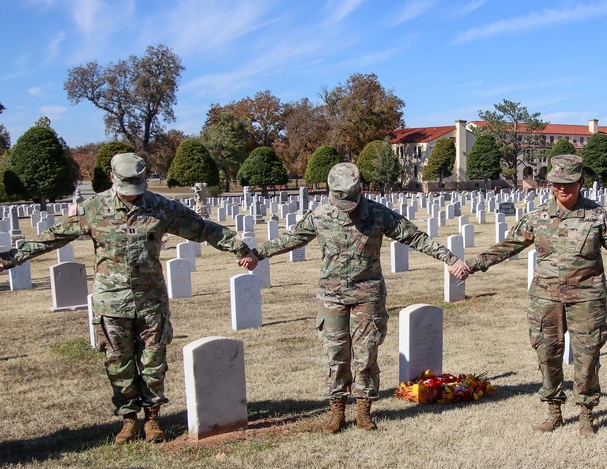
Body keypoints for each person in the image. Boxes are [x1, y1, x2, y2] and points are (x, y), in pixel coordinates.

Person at [0, 153, 258, 444]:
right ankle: (128, 420)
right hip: (111, 302)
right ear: (111, 177)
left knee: (153, 363)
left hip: (151, 301)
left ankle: (152, 419)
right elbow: (54, 236)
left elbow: (203, 228)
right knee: (118, 364)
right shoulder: (93, 208)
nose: (132, 196)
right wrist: (11, 259)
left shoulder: (160, 207)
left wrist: (241, 248)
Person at [251, 162, 470, 434]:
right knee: (336, 356)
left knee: (366, 356)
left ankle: (364, 411)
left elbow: (414, 236)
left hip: (368, 296)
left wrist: (448, 258)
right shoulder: (320, 215)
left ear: (360, 190)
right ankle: (337, 413)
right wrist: (257, 254)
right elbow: (291, 239)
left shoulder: (378, 214)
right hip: (331, 297)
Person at [465, 154, 607, 435]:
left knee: (588, 356)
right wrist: (474, 264)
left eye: (568, 183)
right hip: (546, 299)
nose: (561, 189)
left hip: (587, 299)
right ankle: (554, 410)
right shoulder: (538, 217)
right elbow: (509, 245)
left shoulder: (597, 216)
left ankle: (586, 413)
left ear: (581, 182)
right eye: (556, 183)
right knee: (547, 354)